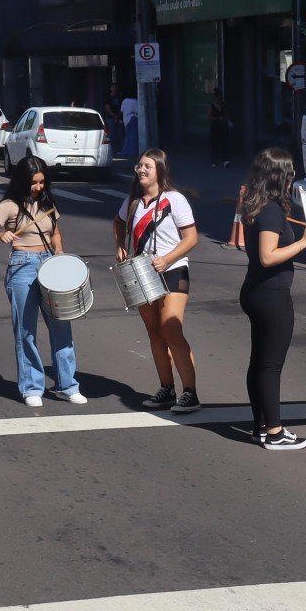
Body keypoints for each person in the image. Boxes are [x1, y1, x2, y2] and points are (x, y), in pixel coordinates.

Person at [0, 155, 82, 407]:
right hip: (22, 266)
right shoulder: (9, 205)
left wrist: (59, 253)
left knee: (61, 326)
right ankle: (31, 387)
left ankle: (68, 385)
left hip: (49, 263)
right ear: (22, 181)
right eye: (34, 183)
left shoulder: (48, 202)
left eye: (42, 182)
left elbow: (55, 232)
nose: (39, 187)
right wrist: (0, 235)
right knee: (25, 330)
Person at [236, 147, 306, 451]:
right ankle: (275, 432)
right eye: (291, 172)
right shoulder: (270, 210)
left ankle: (260, 426)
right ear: (280, 175)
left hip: (255, 291)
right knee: (270, 366)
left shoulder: (254, 206)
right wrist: (304, 244)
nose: (293, 178)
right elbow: (267, 257)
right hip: (271, 295)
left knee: (259, 363)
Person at [113, 149, 200, 413]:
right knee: (154, 333)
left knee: (171, 329)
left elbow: (191, 238)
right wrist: (119, 244)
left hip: (173, 270)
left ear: (160, 170)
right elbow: (118, 223)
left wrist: (167, 258)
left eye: (147, 167)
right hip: (143, 273)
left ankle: (190, 393)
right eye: (139, 166)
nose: (141, 170)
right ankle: (166, 388)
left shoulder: (175, 199)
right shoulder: (134, 202)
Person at [208, 87, 231, 168]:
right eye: (218, 96)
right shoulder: (211, 105)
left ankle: (226, 160)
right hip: (215, 125)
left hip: (223, 126)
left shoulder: (224, 104)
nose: (219, 98)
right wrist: (218, 118)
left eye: (220, 96)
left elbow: (227, 114)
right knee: (215, 143)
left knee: (225, 142)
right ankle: (214, 161)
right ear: (215, 97)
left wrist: (225, 118)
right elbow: (210, 117)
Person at [119, 92, 141, 160]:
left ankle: (125, 152)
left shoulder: (125, 100)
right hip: (133, 118)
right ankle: (132, 153)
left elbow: (121, 111)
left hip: (126, 120)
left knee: (128, 137)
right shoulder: (136, 101)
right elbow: (139, 111)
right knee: (133, 137)